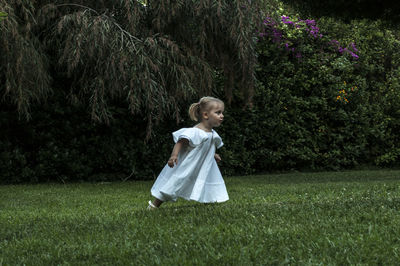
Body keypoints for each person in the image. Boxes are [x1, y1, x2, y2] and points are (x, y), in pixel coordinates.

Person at [148, 96, 229, 209]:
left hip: (202, 166)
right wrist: (174, 155)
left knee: (206, 180)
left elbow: (206, 147)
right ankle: (154, 204)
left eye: (222, 113)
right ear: (206, 115)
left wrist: (213, 154)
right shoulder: (195, 131)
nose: (222, 116)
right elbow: (181, 142)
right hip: (189, 165)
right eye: (218, 113)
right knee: (175, 182)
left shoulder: (211, 133)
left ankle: (208, 202)